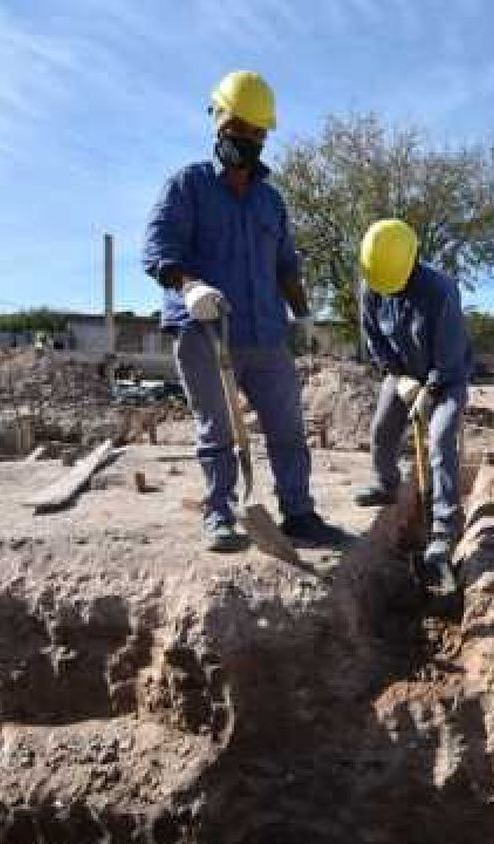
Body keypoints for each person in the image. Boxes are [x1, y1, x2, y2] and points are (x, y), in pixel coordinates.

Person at [142, 70, 336, 552]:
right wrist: (189, 288)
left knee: (288, 428)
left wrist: (305, 316)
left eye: (256, 133)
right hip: (204, 330)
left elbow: (286, 266)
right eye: (238, 130)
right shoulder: (187, 186)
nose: (246, 141)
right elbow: (158, 249)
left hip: (266, 333)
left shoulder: (272, 202)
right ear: (218, 125)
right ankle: (220, 514)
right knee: (218, 430)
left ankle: (298, 512)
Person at [351, 219, 473, 593]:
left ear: (413, 261)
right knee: (382, 430)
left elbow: (450, 355)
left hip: (446, 378)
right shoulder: (373, 286)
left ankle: (443, 530)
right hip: (403, 373)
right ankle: (387, 485)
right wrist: (399, 377)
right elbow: (375, 340)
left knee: (439, 441)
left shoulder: (441, 291)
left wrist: (431, 389)